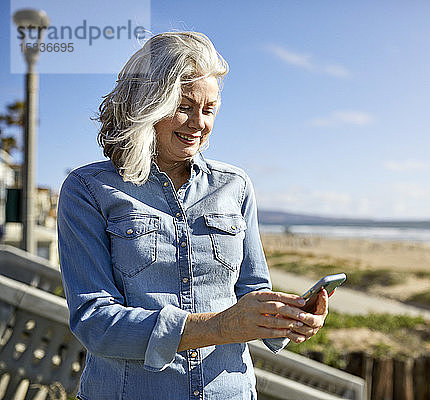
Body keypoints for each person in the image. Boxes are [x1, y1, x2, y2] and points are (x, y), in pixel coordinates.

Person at [57, 31, 328, 400]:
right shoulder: (87, 189)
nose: (199, 123)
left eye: (210, 109)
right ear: (147, 102)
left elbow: (252, 289)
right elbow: (95, 321)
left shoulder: (235, 185)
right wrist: (219, 326)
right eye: (184, 105)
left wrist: (286, 319)